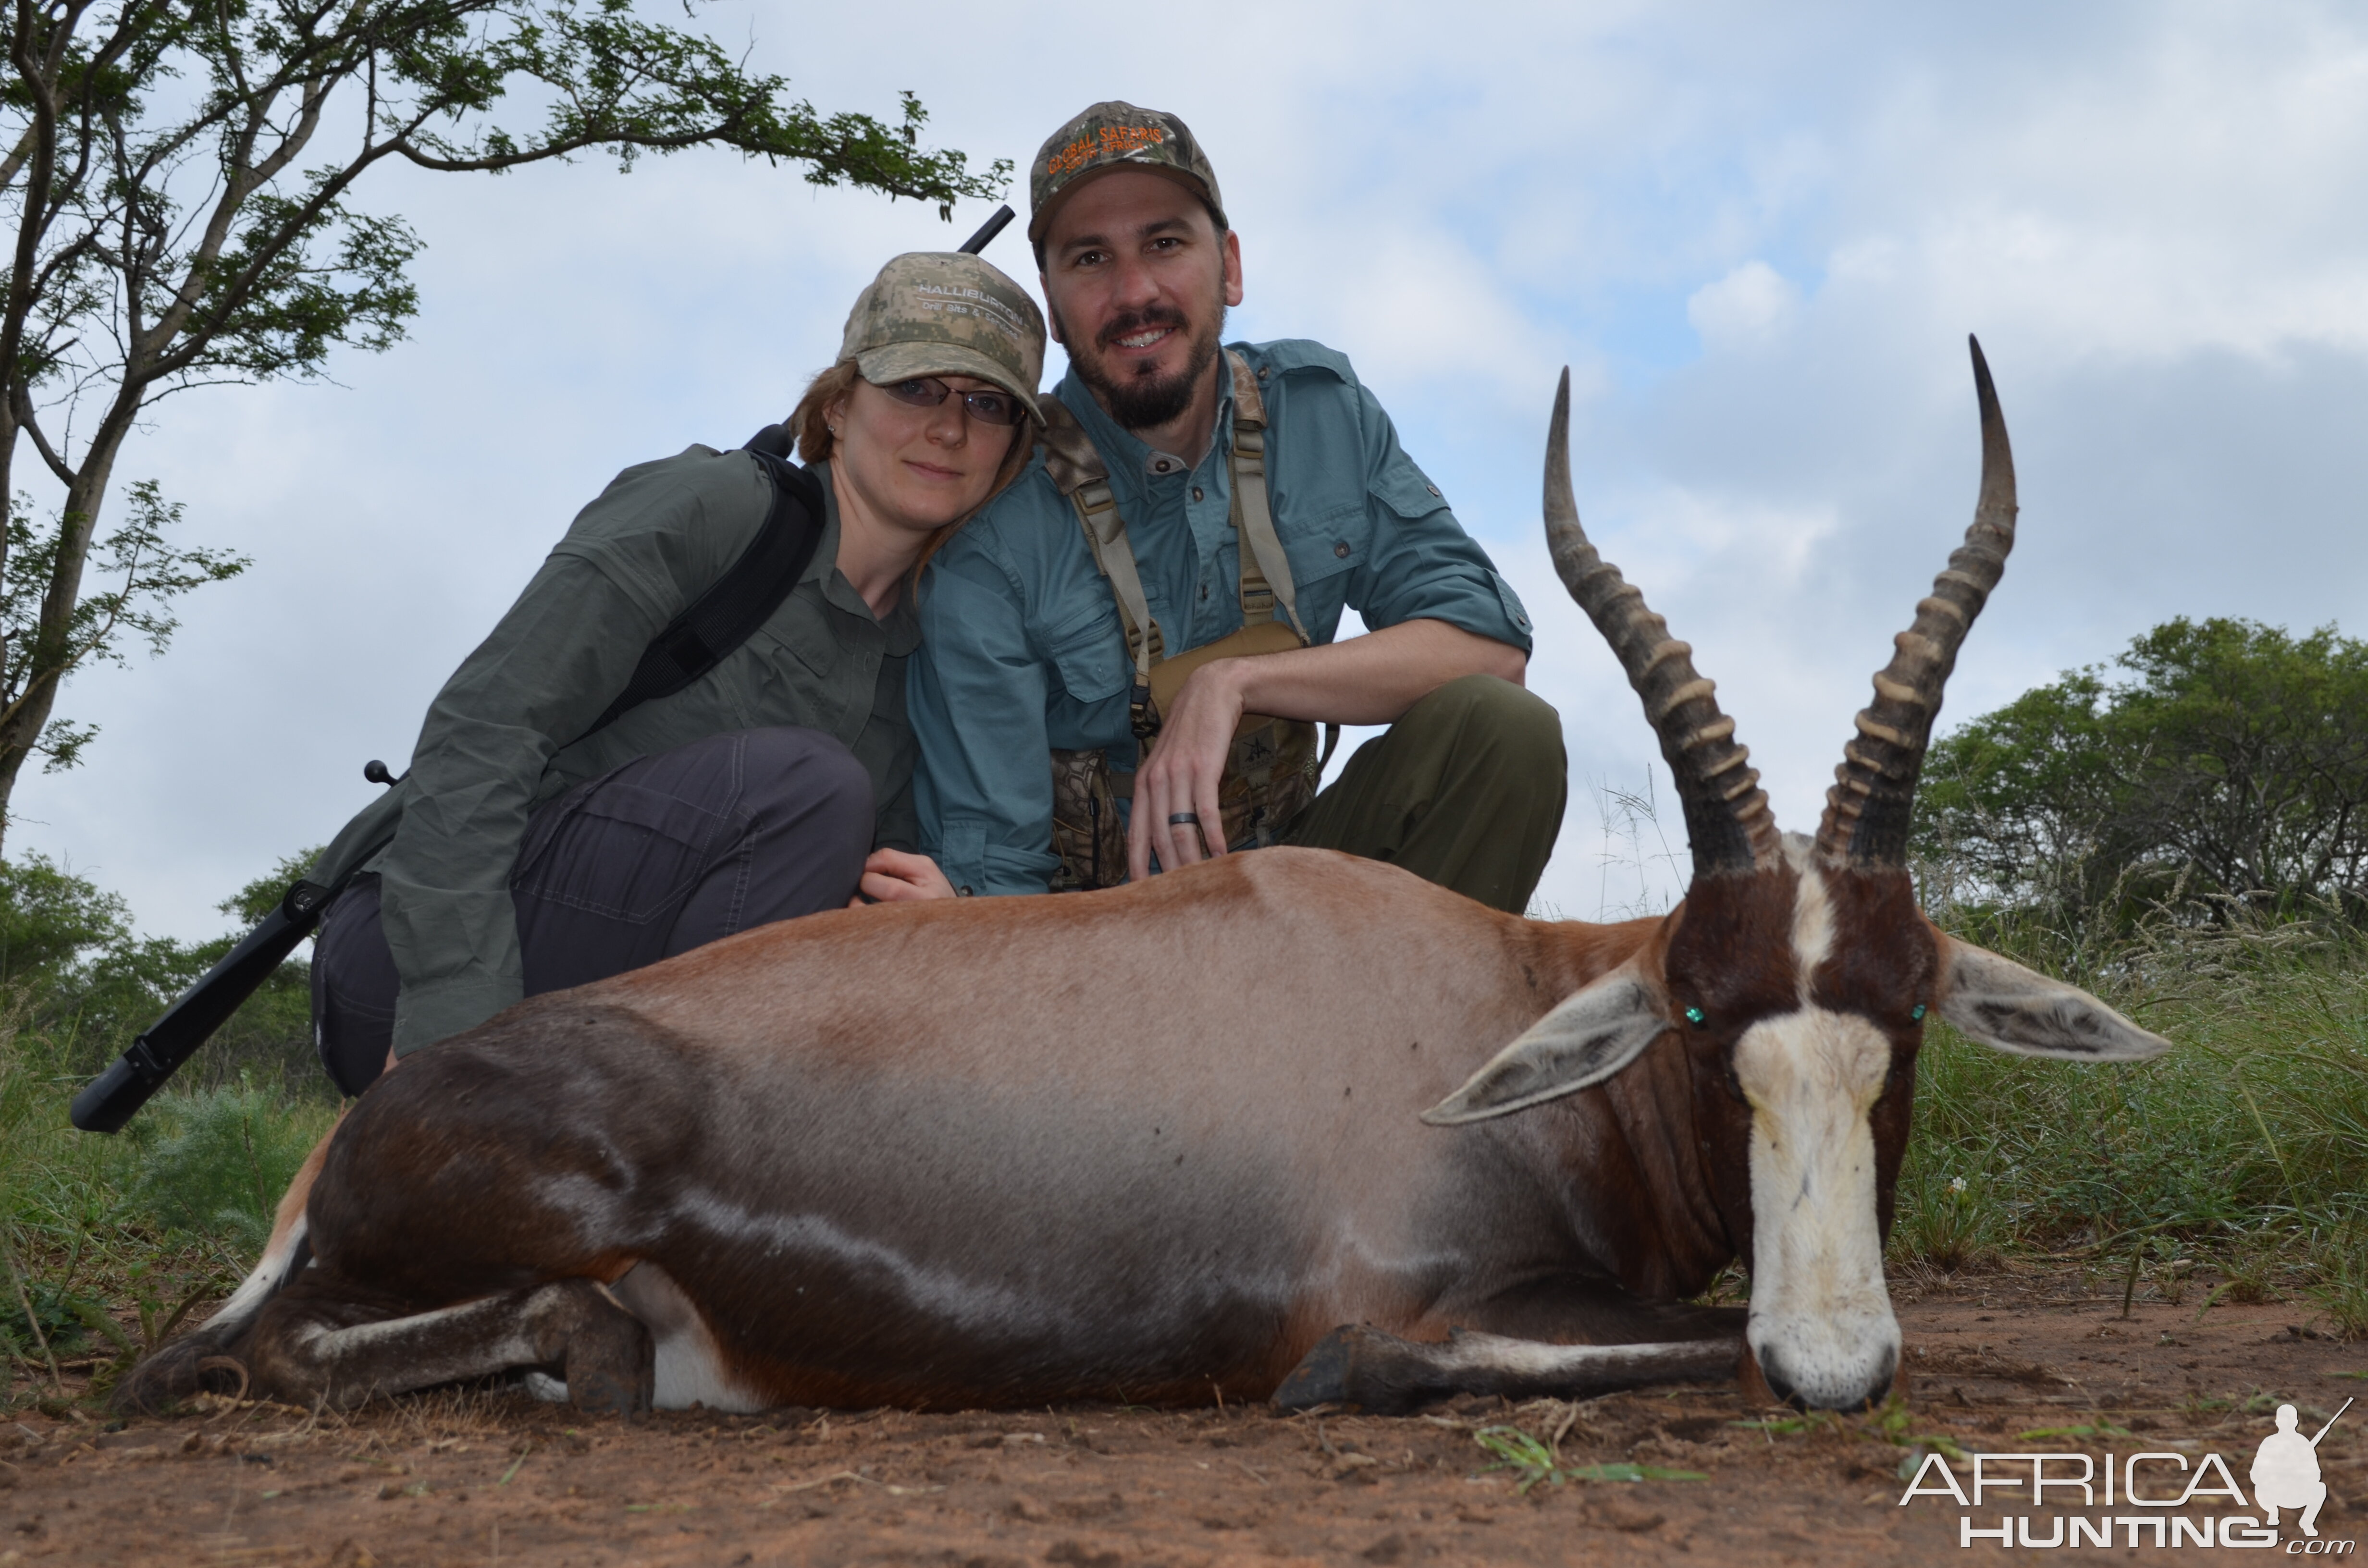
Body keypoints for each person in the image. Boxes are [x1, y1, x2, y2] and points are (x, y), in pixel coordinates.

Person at [307, 251, 1044, 1095]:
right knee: (809, 787)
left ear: (1010, 452)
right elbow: (485, 729)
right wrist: (450, 1011)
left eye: (986, 406)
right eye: (915, 388)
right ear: (837, 406)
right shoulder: (714, 505)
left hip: (631, 1028)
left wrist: (927, 930)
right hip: (419, 967)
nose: (948, 428)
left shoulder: (939, 662)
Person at [909, 102, 1565, 907]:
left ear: (1229, 266)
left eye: (1165, 243)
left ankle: (1423, 1031)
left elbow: (1486, 645)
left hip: (1297, 881)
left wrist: (1237, 681)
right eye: (1089, 258)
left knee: (1503, 731)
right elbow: (995, 882)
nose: (1134, 291)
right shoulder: (995, 522)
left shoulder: (1321, 410)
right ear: (1051, 304)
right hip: (1101, 945)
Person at [2252, 1402, 2332, 1536]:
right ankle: (2273, 1513)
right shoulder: (2269, 1442)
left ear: (2296, 1422)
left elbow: (2316, 1475)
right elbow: (2256, 1473)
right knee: (2260, 1486)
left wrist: (2299, 1472)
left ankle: (2307, 1522)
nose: (2285, 1424)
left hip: (2296, 1493)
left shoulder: (2304, 1443)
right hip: (2273, 1493)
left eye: (2288, 1420)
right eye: (2282, 1420)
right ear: (2277, 1422)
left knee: (2320, 1488)